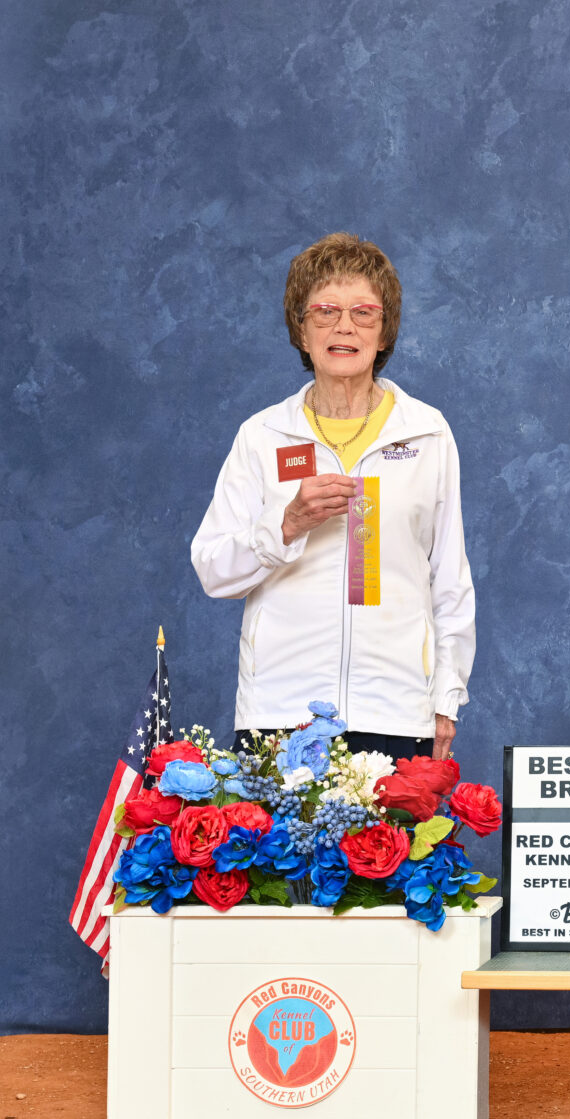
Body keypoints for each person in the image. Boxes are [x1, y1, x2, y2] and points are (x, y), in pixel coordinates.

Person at [192, 233, 475, 762]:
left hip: (395, 712)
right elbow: (213, 571)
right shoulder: (263, 436)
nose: (344, 326)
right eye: (324, 311)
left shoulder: (427, 433)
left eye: (364, 312)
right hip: (280, 715)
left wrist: (446, 698)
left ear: (385, 331)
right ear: (301, 331)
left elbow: (450, 579)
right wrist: (286, 525)